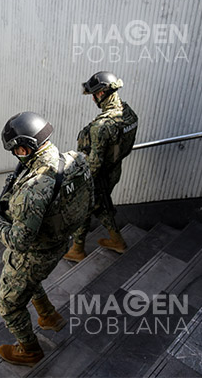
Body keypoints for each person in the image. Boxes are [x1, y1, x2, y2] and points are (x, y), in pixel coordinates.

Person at [0, 112, 94, 366]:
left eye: (16, 150)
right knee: (28, 281)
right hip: (60, 241)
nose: (15, 155)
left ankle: (30, 351)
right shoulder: (75, 160)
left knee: (9, 305)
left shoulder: (34, 189)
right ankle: (47, 314)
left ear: (24, 148)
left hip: (36, 253)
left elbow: (19, 242)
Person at [64, 71, 139, 262]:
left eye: (94, 95)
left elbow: (95, 164)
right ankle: (117, 241)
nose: (93, 99)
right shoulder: (129, 114)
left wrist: (77, 179)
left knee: (84, 208)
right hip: (114, 170)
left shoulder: (102, 126)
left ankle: (77, 250)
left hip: (97, 174)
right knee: (101, 205)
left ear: (101, 94)